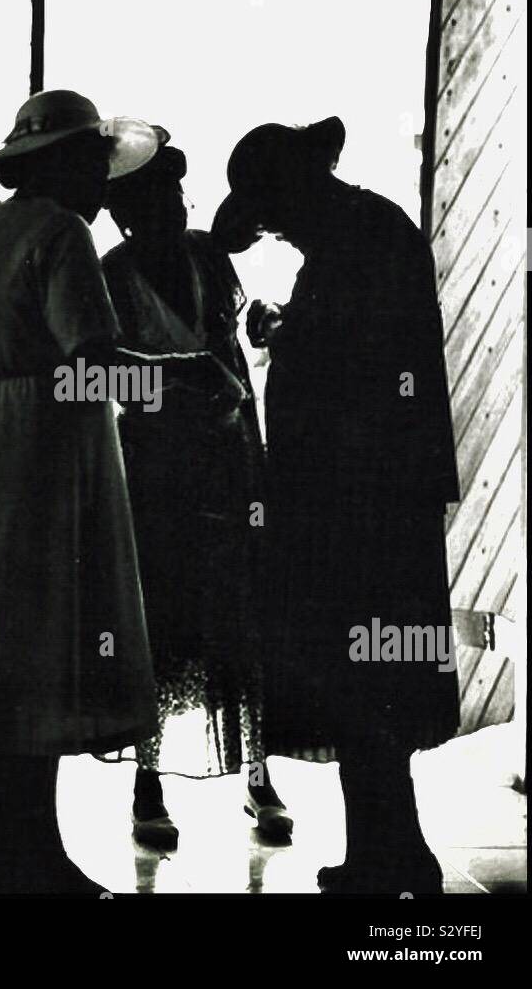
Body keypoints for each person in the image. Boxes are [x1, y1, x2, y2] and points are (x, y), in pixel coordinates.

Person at [0, 90, 244, 894]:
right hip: (50, 449)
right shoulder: (59, 233)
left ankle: (19, 851)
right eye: (90, 164)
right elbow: (91, 362)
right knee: (48, 637)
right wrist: (184, 375)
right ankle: (26, 858)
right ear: (57, 165)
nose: (100, 183)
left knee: (10, 644)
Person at [212, 117, 461, 894]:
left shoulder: (361, 240)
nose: (275, 233)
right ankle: (384, 853)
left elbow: (359, 370)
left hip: (363, 512)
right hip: (364, 507)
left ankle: (396, 855)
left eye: (274, 217)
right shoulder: (360, 233)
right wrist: (291, 332)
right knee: (367, 683)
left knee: (367, 679)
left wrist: (289, 341)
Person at [103, 126, 292, 851]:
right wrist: (175, 381)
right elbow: (98, 375)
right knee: (161, 622)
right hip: (154, 469)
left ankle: (258, 777)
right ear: (126, 214)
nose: (175, 209)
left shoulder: (208, 257)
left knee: (239, 616)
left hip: (229, 459)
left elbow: (234, 346)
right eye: (156, 201)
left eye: (179, 195)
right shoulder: (110, 273)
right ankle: (146, 786)